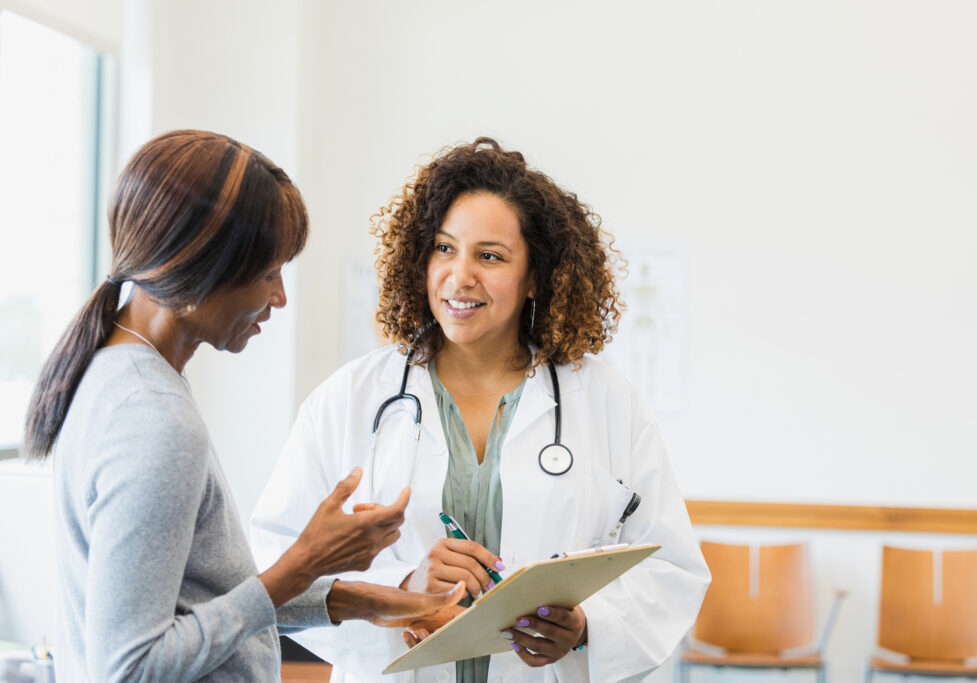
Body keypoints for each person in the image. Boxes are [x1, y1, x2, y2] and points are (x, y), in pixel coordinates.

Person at [250, 137, 710, 682]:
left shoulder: (605, 401)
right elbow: (271, 565)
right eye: (445, 249)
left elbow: (672, 568)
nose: (461, 275)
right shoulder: (349, 398)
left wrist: (587, 624)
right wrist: (401, 589)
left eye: (490, 256)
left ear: (535, 275)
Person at [22, 130, 464, 682]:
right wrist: (305, 562)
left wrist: (361, 600)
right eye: (267, 273)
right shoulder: (153, 419)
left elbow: (192, 609)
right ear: (199, 267)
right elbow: (132, 668)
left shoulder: (113, 371)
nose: (279, 297)